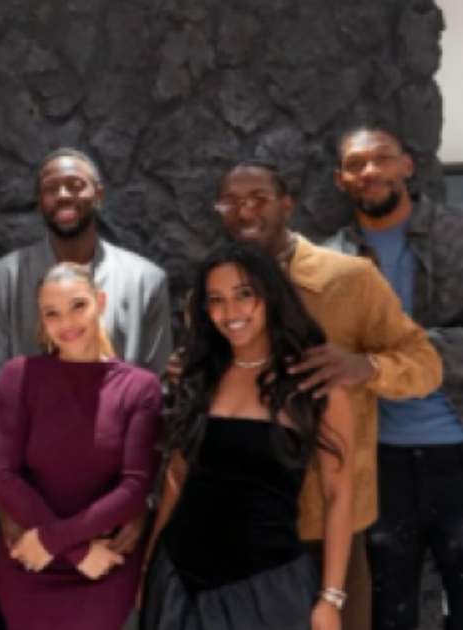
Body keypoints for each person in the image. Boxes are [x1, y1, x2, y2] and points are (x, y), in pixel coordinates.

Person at [209, 160, 443, 629]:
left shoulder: (349, 280)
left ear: (287, 204)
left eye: (258, 198)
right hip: (239, 522)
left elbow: (426, 365)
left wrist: (366, 366)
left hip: (326, 522)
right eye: (231, 202)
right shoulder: (215, 289)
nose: (245, 211)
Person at [326, 125, 463, 629]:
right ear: (340, 179)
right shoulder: (328, 259)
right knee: (384, 619)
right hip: (376, 466)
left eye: (382, 158)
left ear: (407, 166)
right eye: (356, 164)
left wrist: (386, 357)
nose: (370, 171)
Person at [143, 241, 355, 630]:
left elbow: (338, 493)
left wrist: (331, 597)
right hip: (177, 583)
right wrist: (148, 569)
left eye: (244, 295)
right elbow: (176, 478)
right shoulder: (199, 375)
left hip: (267, 591)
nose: (231, 312)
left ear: (271, 296)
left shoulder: (313, 384)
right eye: (216, 300)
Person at [0, 262, 163, 630]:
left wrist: (56, 542)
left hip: (103, 569)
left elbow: (135, 486)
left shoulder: (139, 388)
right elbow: (2, 475)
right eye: (52, 313)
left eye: (78, 305)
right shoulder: (19, 376)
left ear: (101, 302)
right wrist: (74, 550)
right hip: (30, 561)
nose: (66, 322)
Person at [0, 148, 170, 387]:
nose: (63, 195)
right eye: (51, 189)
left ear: (98, 194)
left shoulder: (146, 281)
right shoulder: (2, 280)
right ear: (40, 202)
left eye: (76, 185)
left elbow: (156, 387)